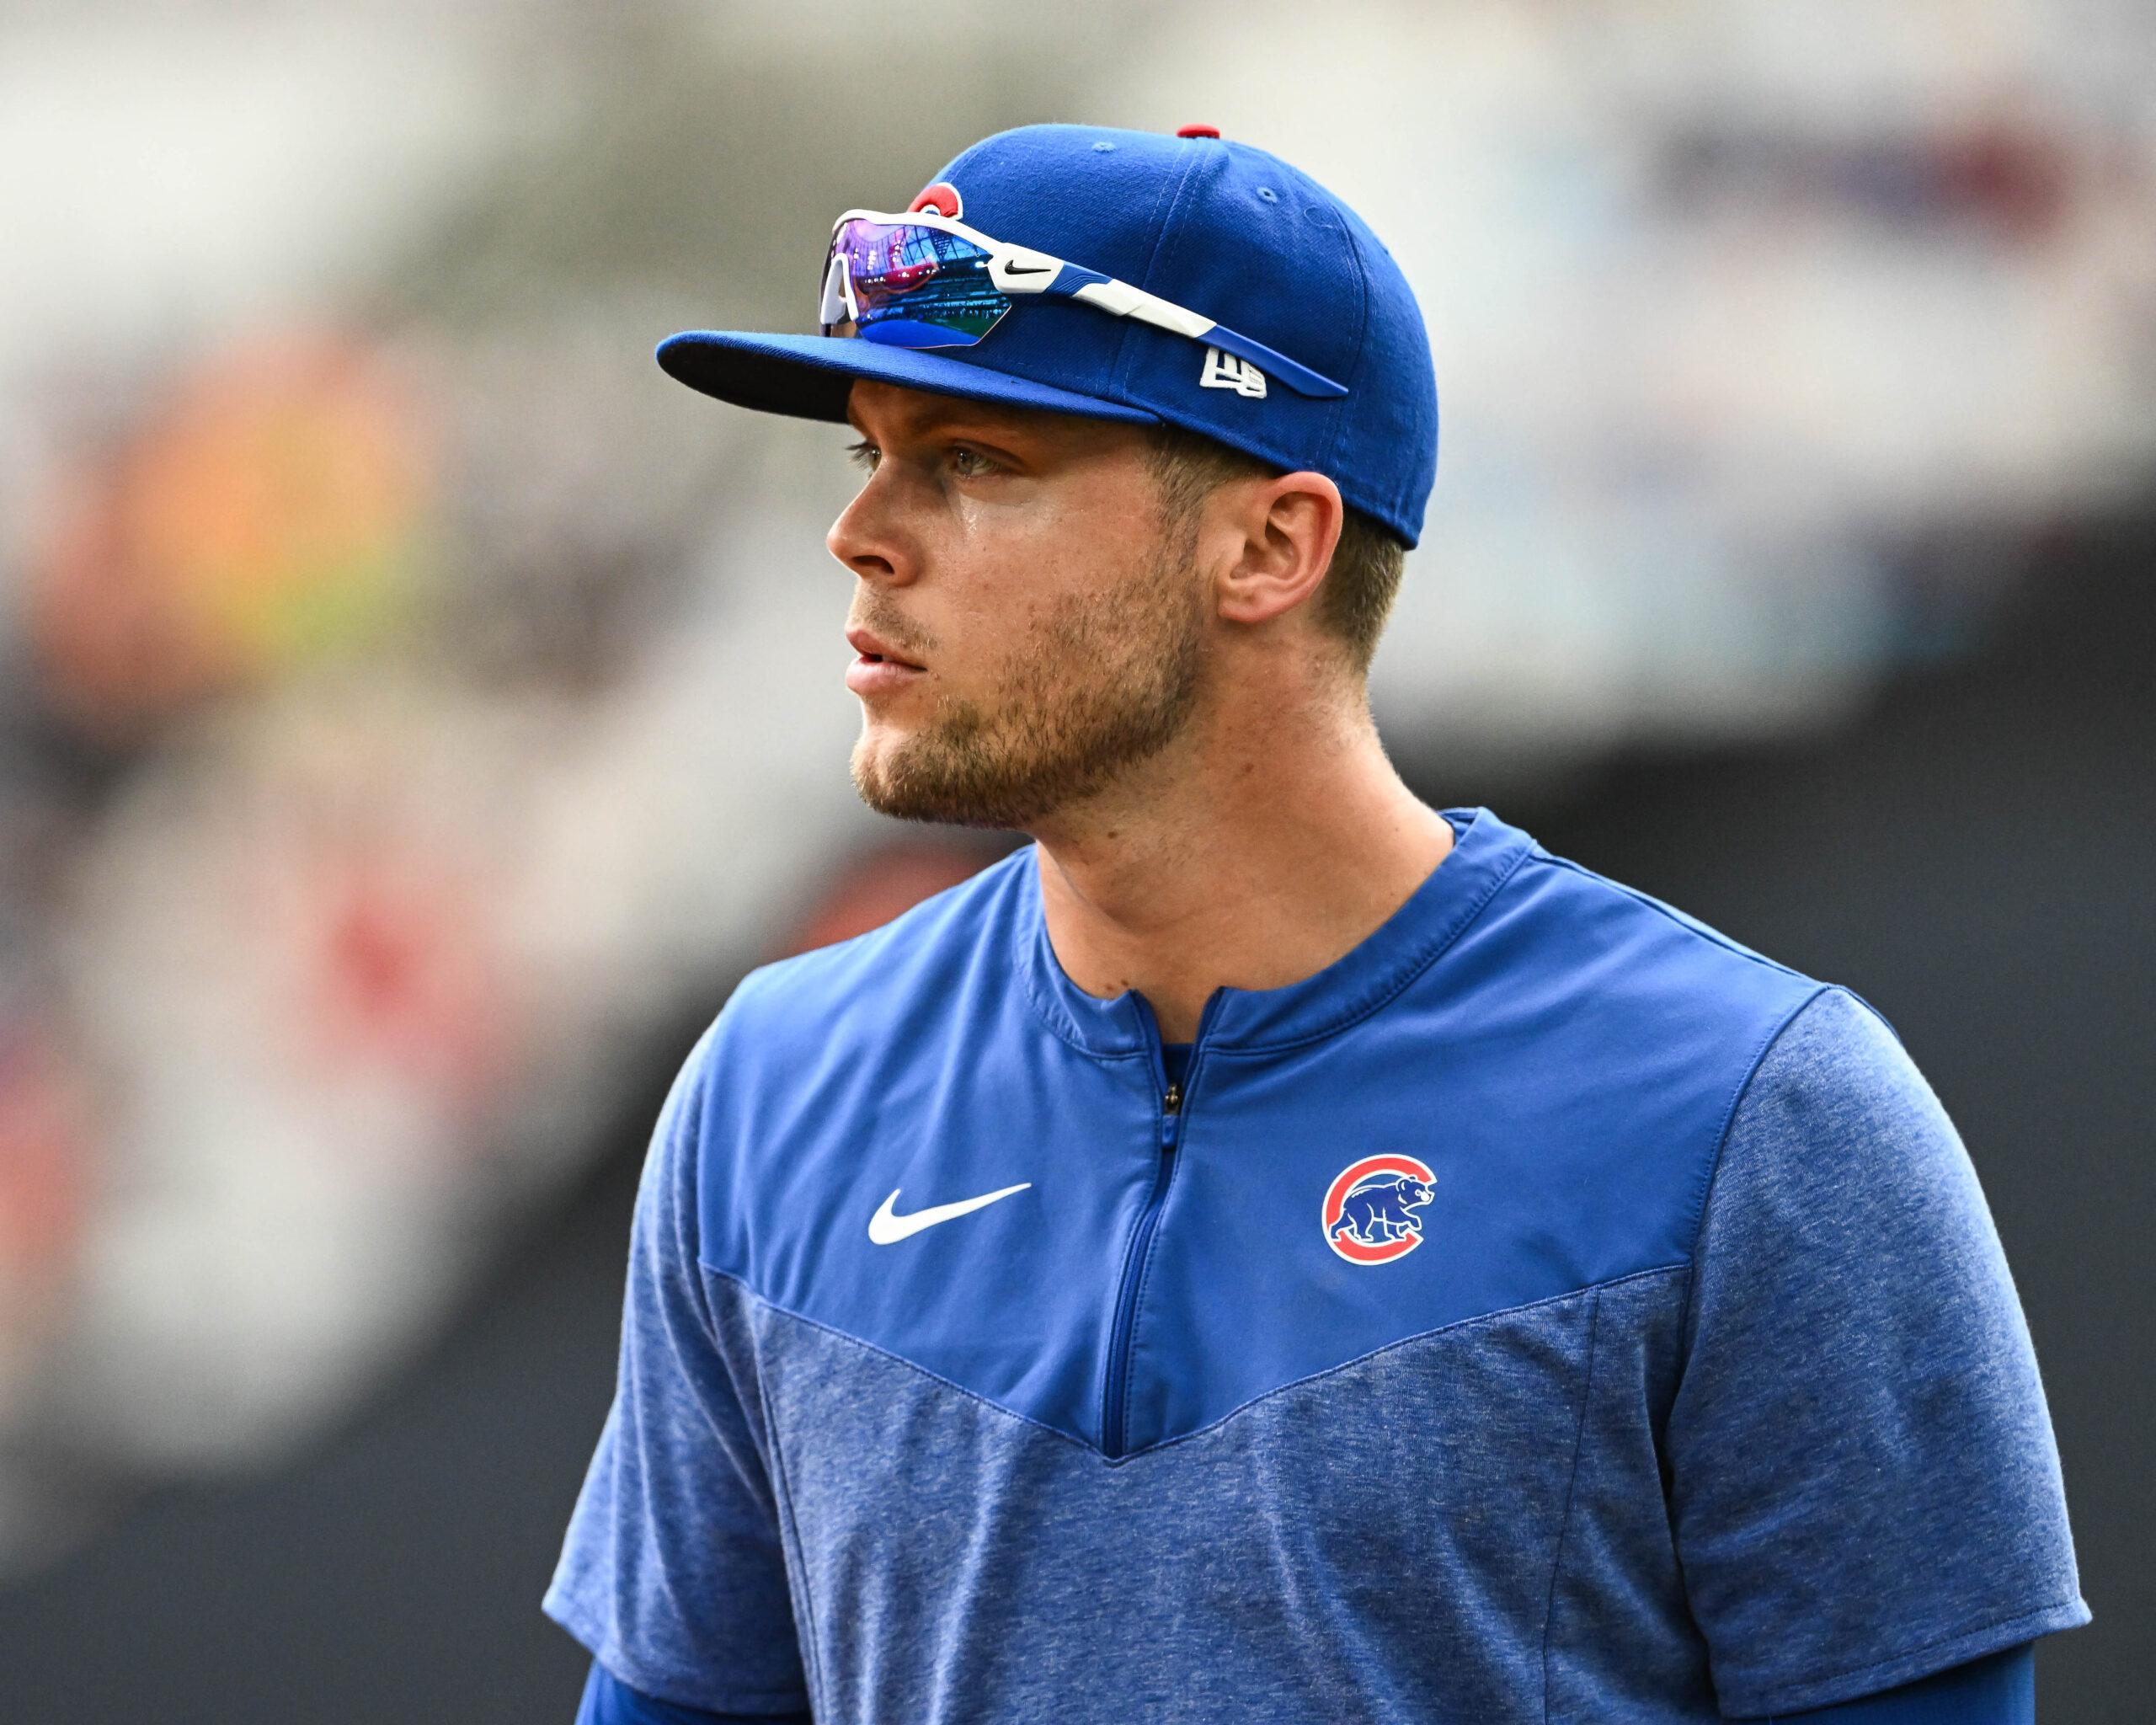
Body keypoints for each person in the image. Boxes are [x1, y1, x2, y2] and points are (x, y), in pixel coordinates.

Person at [543, 123, 2087, 1723]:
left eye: (974, 462)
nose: (862, 536)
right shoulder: (771, 1093)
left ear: (1273, 545)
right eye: (866, 453)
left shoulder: (1755, 1120)